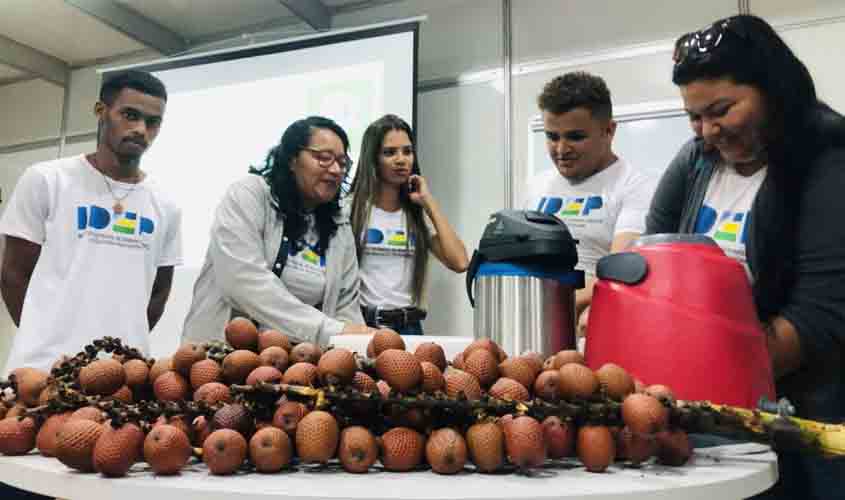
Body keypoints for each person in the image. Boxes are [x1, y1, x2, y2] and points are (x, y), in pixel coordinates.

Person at [646, 15, 845, 500]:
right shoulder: (696, 159)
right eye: (694, 116)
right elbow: (653, 256)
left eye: (721, 110)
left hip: (805, 414)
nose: (708, 130)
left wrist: (699, 381)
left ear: (773, 90)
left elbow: (817, 319)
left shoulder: (829, 154)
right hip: (712, 407)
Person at [0, 70, 181, 499]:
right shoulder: (47, 178)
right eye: (129, 115)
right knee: (26, 488)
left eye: (152, 122)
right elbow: (12, 274)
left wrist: (119, 355)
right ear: (101, 112)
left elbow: (158, 292)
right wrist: (46, 333)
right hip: (39, 377)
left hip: (121, 388)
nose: (140, 129)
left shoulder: (167, 205)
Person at [182, 116, 371, 345]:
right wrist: (329, 331)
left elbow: (346, 307)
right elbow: (243, 282)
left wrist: (352, 343)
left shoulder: (338, 223)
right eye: (323, 158)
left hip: (299, 366)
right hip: (219, 357)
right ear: (292, 158)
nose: (335, 170)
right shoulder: (249, 194)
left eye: (342, 163)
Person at [523, 72, 655, 338]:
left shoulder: (636, 187)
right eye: (552, 136)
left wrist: (549, 307)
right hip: (533, 329)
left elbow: (619, 271)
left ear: (609, 130)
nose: (561, 149)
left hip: (598, 334)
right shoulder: (536, 187)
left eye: (575, 136)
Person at [349, 114, 468, 335]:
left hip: (410, 327)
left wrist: (429, 202)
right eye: (389, 152)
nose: (401, 159)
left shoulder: (416, 215)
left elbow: (460, 261)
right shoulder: (351, 210)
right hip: (363, 325)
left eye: (407, 151)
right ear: (372, 158)